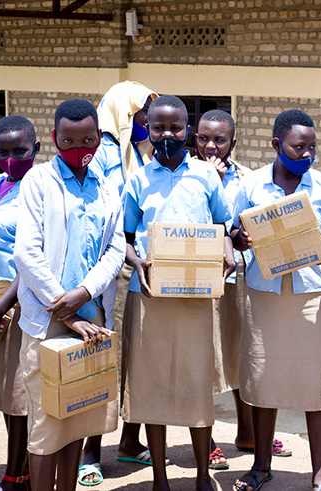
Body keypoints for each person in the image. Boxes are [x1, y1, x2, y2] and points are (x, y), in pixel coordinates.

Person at [120, 95, 235, 491]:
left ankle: (203, 476)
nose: (166, 135)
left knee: (196, 383)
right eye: (158, 128)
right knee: (152, 387)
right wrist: (137, 264)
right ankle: (160, 479)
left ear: (187, 130)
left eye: (174, 128)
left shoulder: (206, 177)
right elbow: (125, 238)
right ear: (147, 130)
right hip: (150, 296)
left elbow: (223, 224)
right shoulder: (137, 180)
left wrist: (227, 255)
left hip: (195, 299)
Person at [14, 99, 125, 491]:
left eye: (88, 139)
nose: (79, 148)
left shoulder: (108, 187)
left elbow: (115, 248)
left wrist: (84, 292)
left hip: (91, 317)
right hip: (48, 320)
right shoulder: (38, 182)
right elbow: (26, 252)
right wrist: (65, 308)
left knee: (77, 414)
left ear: (99, 138)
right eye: (68, 140)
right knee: (46, 422)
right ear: (55, 139)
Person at [231, 109, 321, 491]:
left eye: (313, 147)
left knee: (317, 381)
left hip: (310, 295)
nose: (307, 154)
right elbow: (234, 232)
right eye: (299, 147)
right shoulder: (252, 186)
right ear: (277, 145)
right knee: (264, 379)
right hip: (265, 295)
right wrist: (239, 239)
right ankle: (261, 466)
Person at [194, 109, 292, 470]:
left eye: (219, 140)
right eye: (204, 138)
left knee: (242, 357)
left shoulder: (249, 180)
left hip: (241, 280)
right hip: (200, 283)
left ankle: (247, 433)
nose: (210, 146)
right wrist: (210, 181)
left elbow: (245, 228)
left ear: (233, 143)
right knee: (205, 358)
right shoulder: (187, 176)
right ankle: (205, 441)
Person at [81, 79, 159, 486]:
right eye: (142, 113)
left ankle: (129, 442)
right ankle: (90, 454)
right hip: (99, 272)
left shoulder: (140, 154)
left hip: (132, 269)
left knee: (133, 356)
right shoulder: (101, 155)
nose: (148, 121)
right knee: (99, 359)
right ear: (125, 114)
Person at [0, 115, 39, 491]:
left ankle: (15, 474)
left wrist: (0, 308)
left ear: (36, 150)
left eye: (19, 151)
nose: (10, 159)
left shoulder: (38, 192)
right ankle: (20, 471)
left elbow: (32, 258)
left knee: (18, 395)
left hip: (16, 302)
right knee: (4, 392)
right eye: (2, 152)